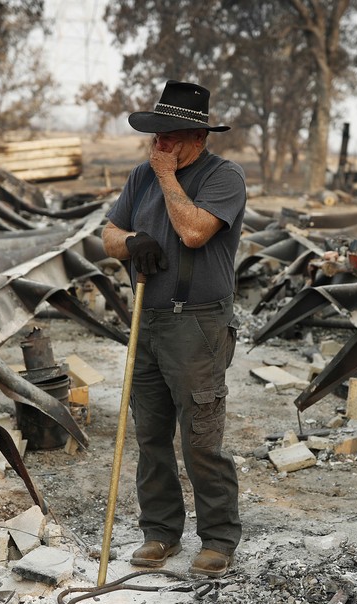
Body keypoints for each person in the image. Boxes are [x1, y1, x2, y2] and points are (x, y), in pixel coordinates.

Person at [102, 80, 247, 578]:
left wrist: (166, 176)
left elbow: (192, 230)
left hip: (198, 324)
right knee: (151, 433)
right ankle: (160, 532)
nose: (158, 145)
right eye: (155, 136)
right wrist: (133, 239)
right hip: (148, 319)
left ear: (197, 137)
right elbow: (107, 235)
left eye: (168, 137)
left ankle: (219, 538)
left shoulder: (223, 178)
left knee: (201, 439)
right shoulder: (140, 177)